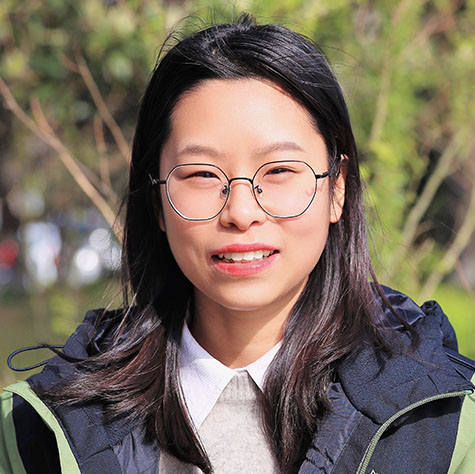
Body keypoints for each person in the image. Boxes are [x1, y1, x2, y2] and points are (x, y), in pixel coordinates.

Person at [1, 14, 474, 474]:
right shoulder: (37, 434)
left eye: (280, 170)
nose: (242, 213)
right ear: (156, 199)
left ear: (337, 189)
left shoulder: (444, 424)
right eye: (203, 175)